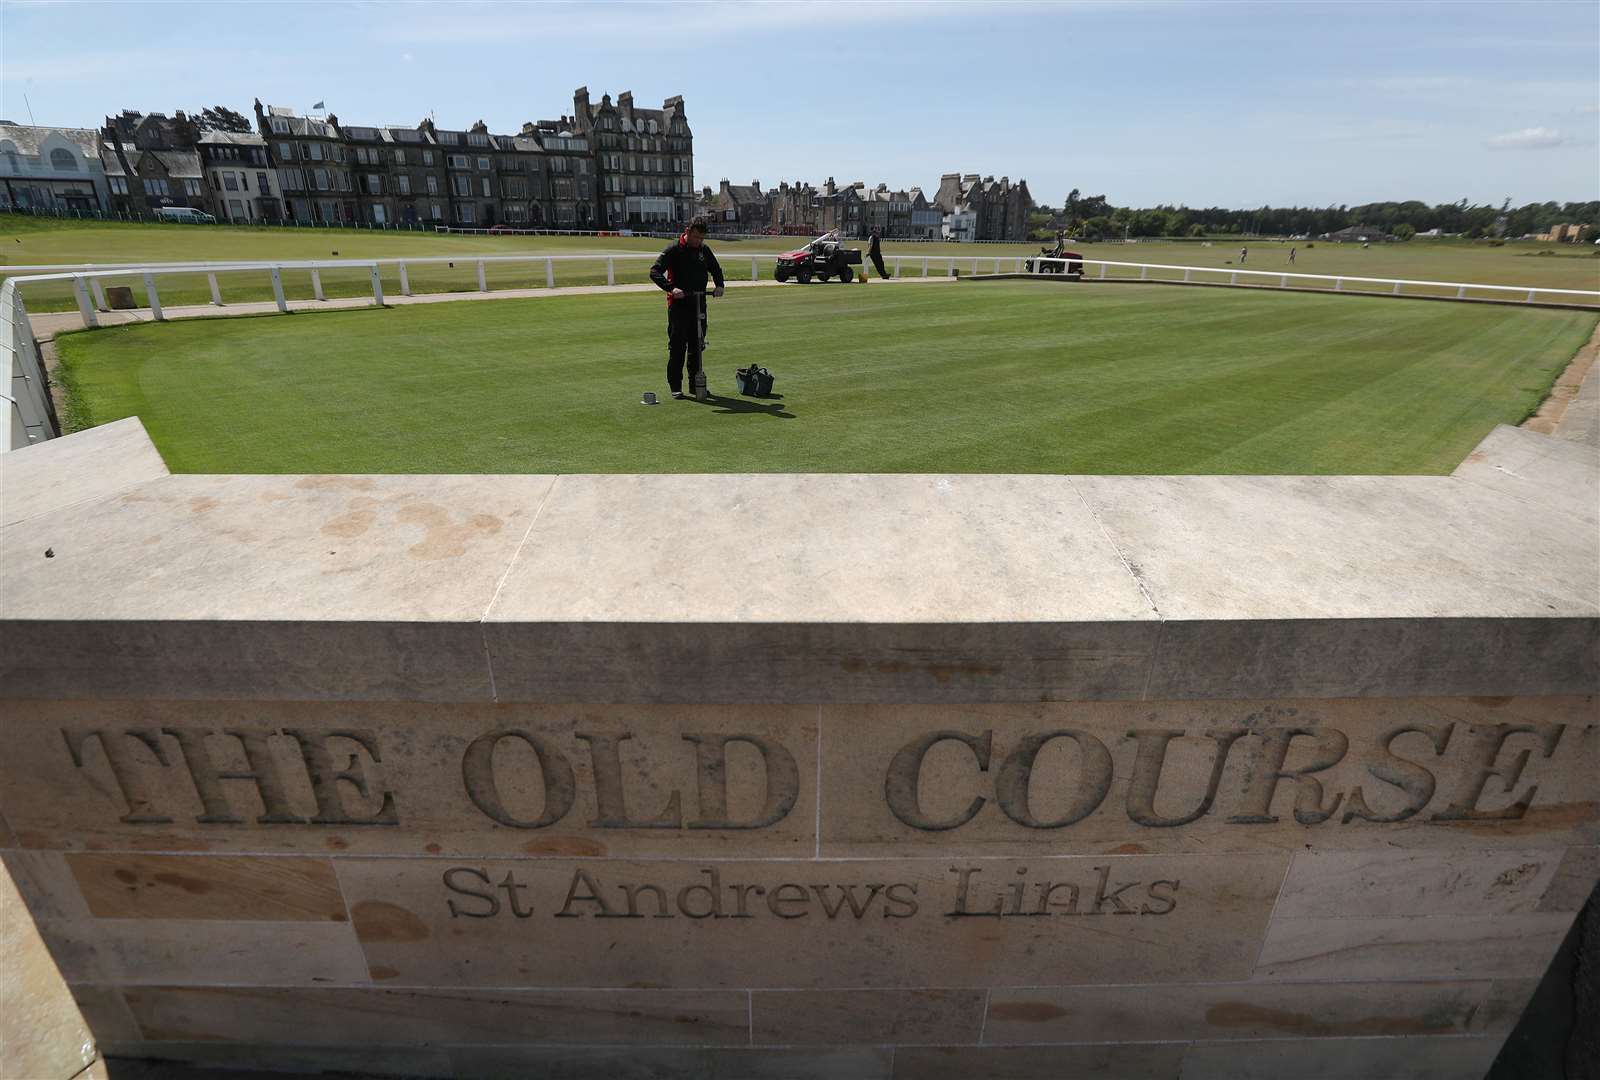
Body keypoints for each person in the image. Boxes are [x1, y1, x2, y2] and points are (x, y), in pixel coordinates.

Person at [649, 217, 725, 400]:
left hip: (699, 303)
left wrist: (719, 285)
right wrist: (671, 288)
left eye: (702, 238)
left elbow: (715, 269)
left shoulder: (704, 250)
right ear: (687, 231)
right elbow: (654, 271)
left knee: (697, 346)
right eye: (696, 237)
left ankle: (695, 385)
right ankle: (675, 386)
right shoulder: (674, 249)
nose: (699, 241)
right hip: (678, 306)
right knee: (677, 347)